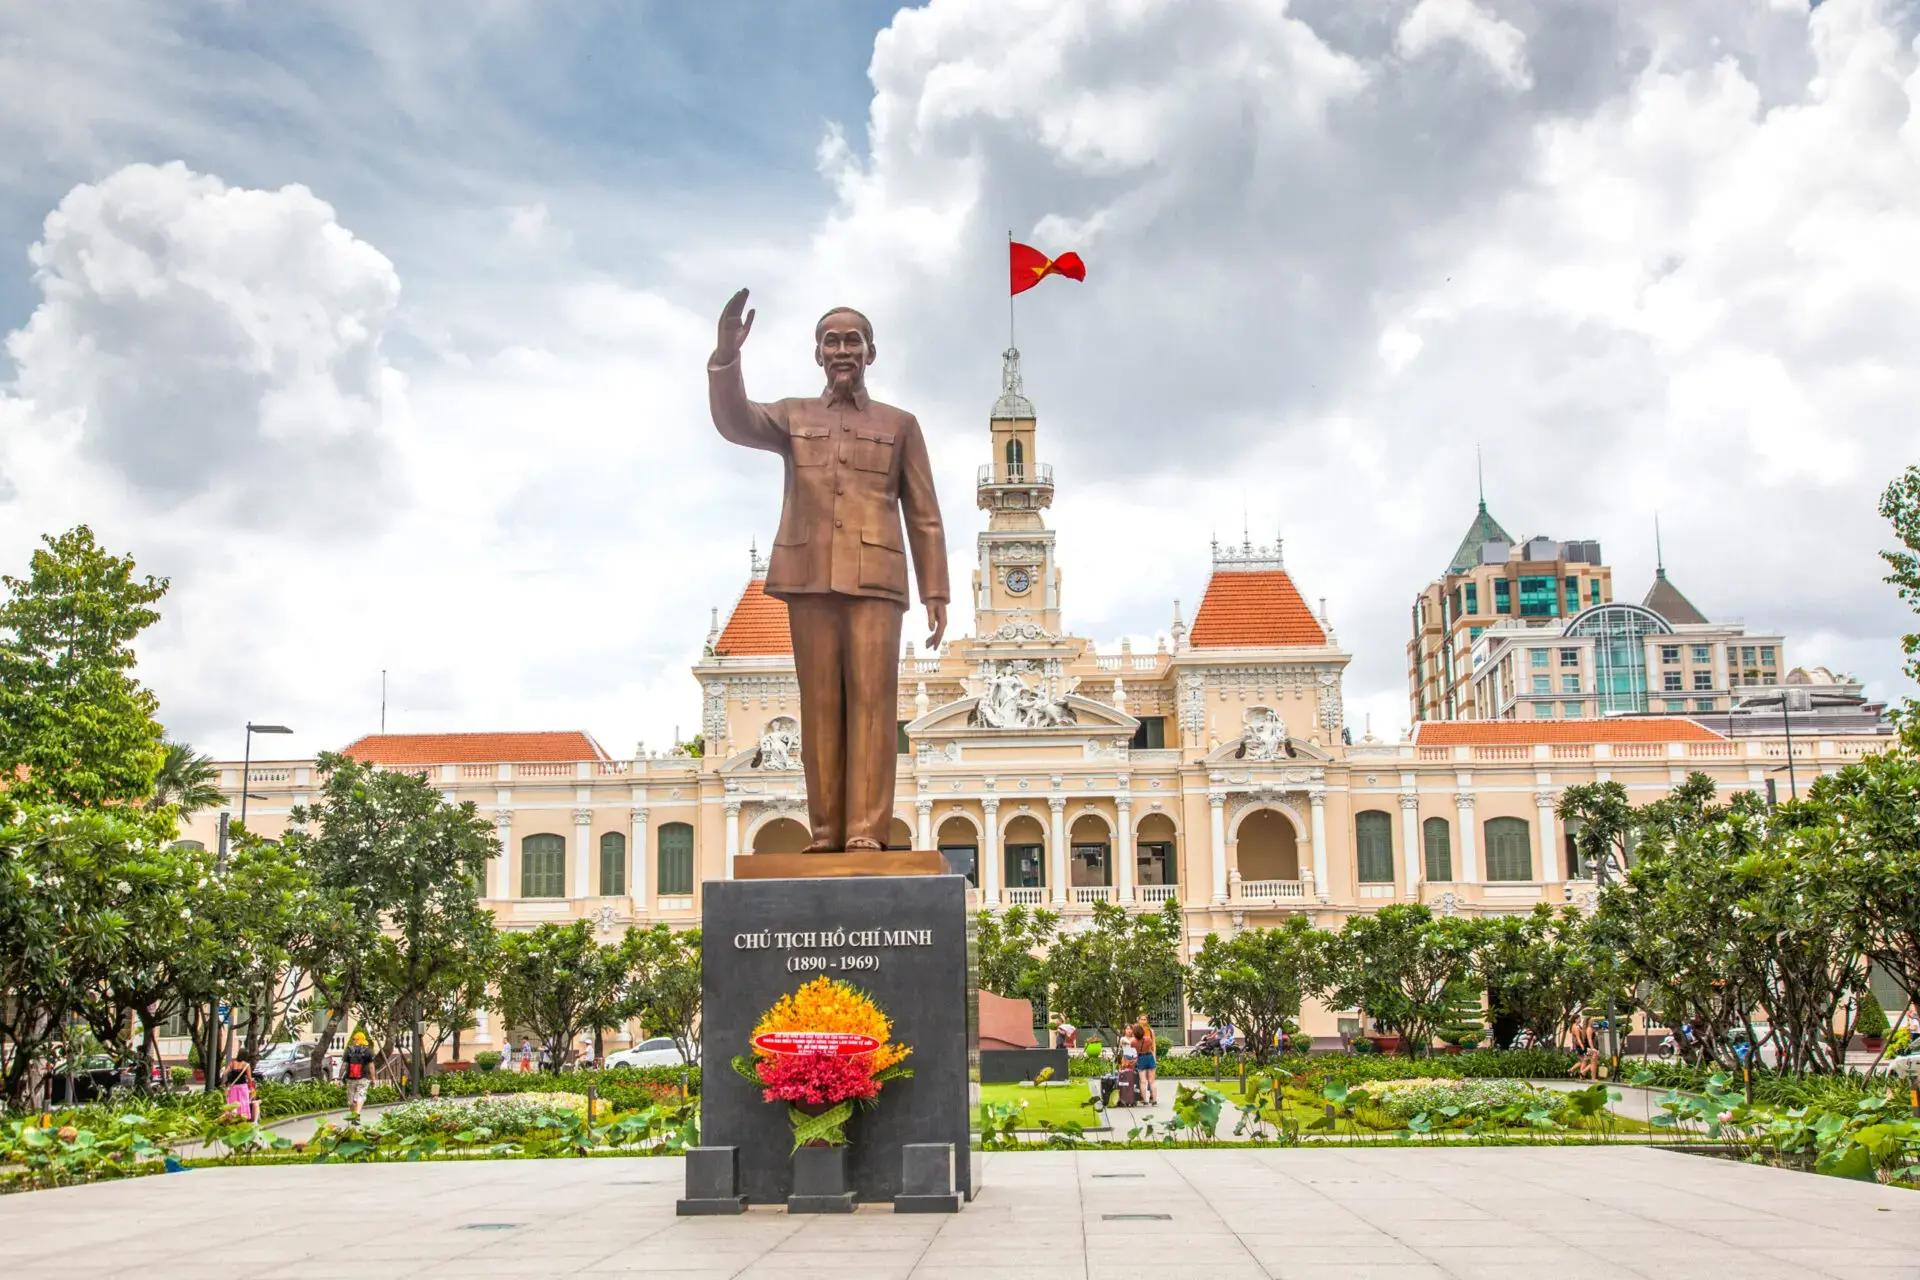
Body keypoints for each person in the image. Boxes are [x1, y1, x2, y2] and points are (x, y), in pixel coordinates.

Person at [342, 1030, 374, 1120]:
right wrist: (373, 1078)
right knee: (361, 1095)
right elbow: (371, 1067)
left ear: (355, 1040)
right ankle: (357, 1113)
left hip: (350, 1078)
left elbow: (344, 1065)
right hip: (363, 1078)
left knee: (351, 1099)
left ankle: (353, 1115)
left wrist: (340, 1077)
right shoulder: (367, 1051)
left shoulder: (349, 1050)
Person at [221, 1052, 256, 1122]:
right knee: (243, 1102)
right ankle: (243, 1117)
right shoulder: (246, 1065)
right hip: (242, 1087)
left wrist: (224, 1083)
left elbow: (224, 1073)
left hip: (233, 1087)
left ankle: (231, 1116)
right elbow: (249, 1078)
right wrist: (251, 1087)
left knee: (233, 1102)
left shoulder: (232, 1063)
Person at [1134, 1018, 1159, 1106]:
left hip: (1141, 1058)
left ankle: (1145, 1101)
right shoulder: (1148, 1039)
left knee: (1143, 1081)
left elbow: (1133, 1047)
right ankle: (1155, 1100)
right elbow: (1152, 1046)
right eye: (1141, 1019)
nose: (1143, 1021)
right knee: (1152, 1080)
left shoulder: (1134, 1041)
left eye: (1145, 1019)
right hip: (1149, 1057)